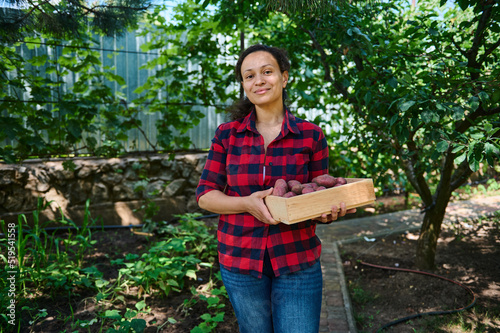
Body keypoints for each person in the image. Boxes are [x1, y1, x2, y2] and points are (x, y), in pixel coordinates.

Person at [196, 44, 355, 333]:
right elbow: (206, 196)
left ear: (284, 77)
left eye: (267, 72)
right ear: (243, 84)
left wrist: (327, 212)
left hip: (297, 259)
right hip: (240, 259)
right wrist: (246, 203)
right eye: (249, 76)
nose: (258, 81)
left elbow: (317, 195)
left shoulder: (311, 135)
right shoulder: (227, 135)